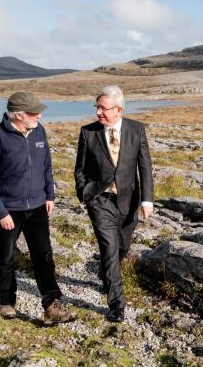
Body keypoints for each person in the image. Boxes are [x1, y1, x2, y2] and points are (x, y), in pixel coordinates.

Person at [0, 91, 76, 325]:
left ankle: (51, 305)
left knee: (43, 255)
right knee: (6, 256)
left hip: (37, 206)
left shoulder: (39, 131)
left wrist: (50, 194)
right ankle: (6, 302)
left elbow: (46, 165)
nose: (39, 115)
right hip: (8, 209)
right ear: (18, 115)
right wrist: (0, 212)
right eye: (34, 112)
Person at [74, 85, 154, 323]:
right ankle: (116, 304)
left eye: (103, 108)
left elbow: (145, 167)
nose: (98, 112)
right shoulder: (88, 132)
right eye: (96, 107)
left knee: (122, 247)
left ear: (118, 109)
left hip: (128, 201)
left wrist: (147, 199)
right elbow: (80, 168)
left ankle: (107, 275)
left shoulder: (136, 130)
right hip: (99, 201)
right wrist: (85, 192)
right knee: (108, 250)